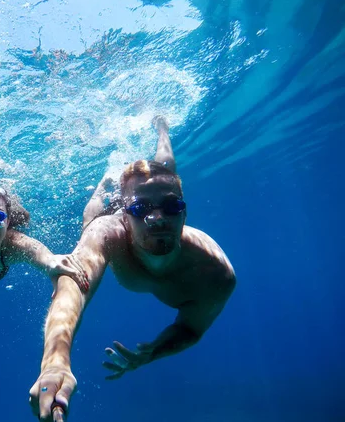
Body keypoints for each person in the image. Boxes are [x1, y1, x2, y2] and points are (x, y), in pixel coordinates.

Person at [29, 116, 236, 421]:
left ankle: (161, 127)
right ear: (124, 217)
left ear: (184, 212)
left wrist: (153, 351)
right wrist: (54, 362)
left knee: (163, 169)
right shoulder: (108, 232)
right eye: (140, 210)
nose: (158, 219)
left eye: (171, 207)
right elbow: (73, 283)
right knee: (92, 220)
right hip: (108, 218)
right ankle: (104, 184)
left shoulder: (214, 273)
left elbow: (192, 328)